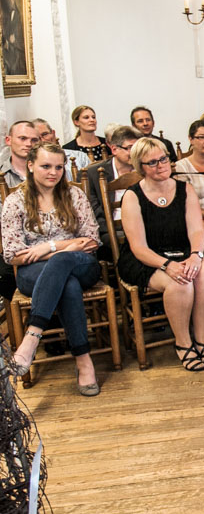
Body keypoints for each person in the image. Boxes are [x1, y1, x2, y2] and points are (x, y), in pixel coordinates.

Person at [1, 143, 102, 394]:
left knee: (60, 263)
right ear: (31, 165)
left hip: (81, 265)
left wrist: (50, 247)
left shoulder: (74, 195)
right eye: (46, 166)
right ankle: (84, 361)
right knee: (67, 283)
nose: (53, 172)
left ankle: (32, 336)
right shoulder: (15, 201)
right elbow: (13, 254)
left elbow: (91, 241)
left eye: (59, 167)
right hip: (32, 272)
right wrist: (71, 245)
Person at [116, 138, 204, 371]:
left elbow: (195, 229)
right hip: (146, 258)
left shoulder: (185, 188)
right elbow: (139, 247)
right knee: (180, 282)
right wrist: (167, 265)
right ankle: (183, 344)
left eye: (163, 158)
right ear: (140, 166)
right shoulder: (132, 196)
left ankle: (202, 340)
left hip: (183, 249)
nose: (160, 165)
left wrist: (196, 255)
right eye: (151, 162)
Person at [86, 125, 140, 252]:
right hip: (110, 231)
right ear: (114, 149)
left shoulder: (144, 169)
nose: (135, 154)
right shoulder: (93, 174)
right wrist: (114, 229)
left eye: (138, 149)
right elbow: (94, 214)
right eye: (130, 148)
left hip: (142, 227)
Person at [1, 120, 39, 188]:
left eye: (34, 140)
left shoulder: (49, 171)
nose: (29, 144)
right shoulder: (2, 175)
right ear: (8, 140)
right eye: (23, 138)